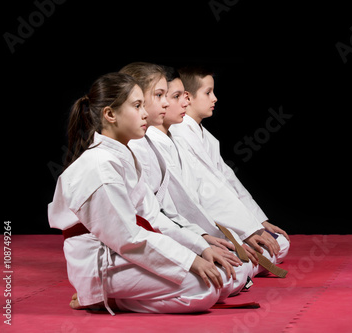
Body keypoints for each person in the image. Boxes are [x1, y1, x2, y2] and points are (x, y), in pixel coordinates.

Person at [48, 72, 237, 315]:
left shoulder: (124, 156)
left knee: (224, 278)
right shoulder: (99, 166)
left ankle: (117, 296)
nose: (145, 113)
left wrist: (200, 247)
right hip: (102, 262)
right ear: (110, 114)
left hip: (124, 251)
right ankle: (104, 298)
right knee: (205, 289)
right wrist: (188, 260)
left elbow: (153, 218)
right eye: (137, 106)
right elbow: (128, 238)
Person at [145, 65, 287, 277]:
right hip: (176, 232)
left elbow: (225, 182)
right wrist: (212, 237)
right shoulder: (166, 137)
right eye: (208, 92)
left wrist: (256, 222)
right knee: (237, 267)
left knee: (275, 245)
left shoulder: (186, 137)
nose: (215, 98)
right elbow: (191, 199)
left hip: (198, 226)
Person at [120, 62, 253, 275]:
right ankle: (107, 292)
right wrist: (196, 247)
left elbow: (170, 208)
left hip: (168, 232)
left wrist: (203, 238)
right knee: (225, 277)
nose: (167, 104)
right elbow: (145, 219)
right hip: (130, 249)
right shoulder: (130, 150)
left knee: (236, 268)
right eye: (161, 96)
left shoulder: (153, 143)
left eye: (168, 96)